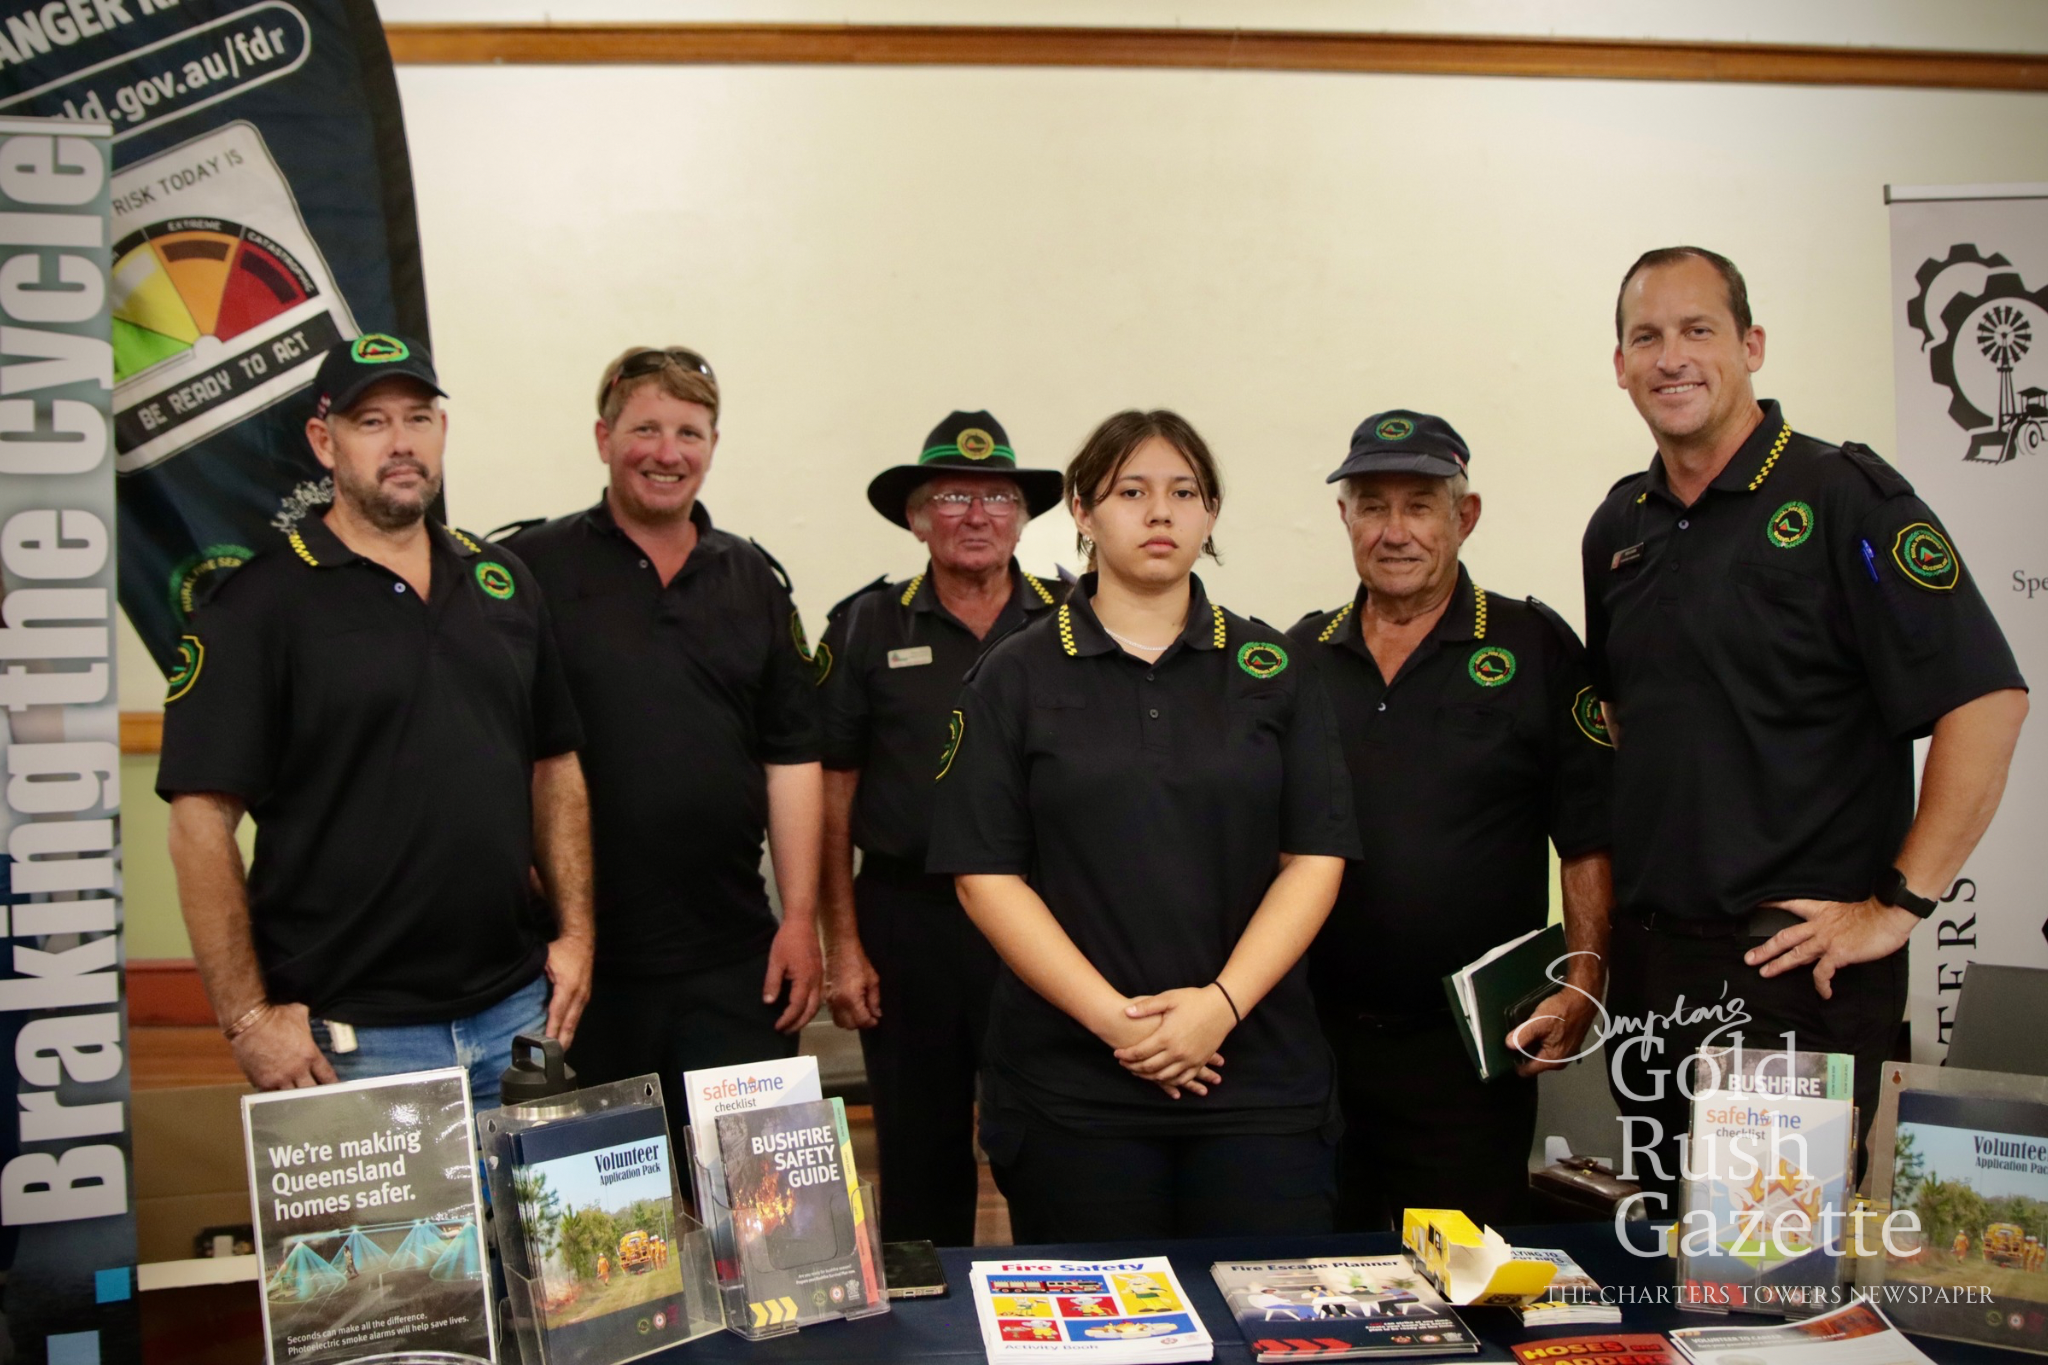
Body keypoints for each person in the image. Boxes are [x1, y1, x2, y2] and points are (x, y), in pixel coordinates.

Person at [1583, 247, 2028, 1208]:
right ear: (1618, 363)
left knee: (1761, 1291)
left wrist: (1900, 906)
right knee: (1663, 1269)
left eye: (1698, 329)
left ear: (1751, 345)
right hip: (1655, 977)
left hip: (1791, 975)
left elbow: (1986, 697)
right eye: (1645, 336)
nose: (1671, 357)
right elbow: (1630, 724)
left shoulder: (1844, 496)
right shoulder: (1618, 526)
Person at [928, 409, 1361, 1240]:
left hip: (1256, 1083)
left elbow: (1315, 856)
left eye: (1183, 491)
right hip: (1075, 1092)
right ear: (1083, 512)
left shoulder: (1274, 668)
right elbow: (985, 876)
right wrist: (1118, 1024)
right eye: (1132, 491)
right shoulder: (1012, 675)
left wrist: (1219, 1007)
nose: (1160, 513)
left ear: (1211, 514)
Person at [158, 335, 594, 1104]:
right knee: (387, 1236)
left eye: (419, 418)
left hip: (518, 1017)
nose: (402, 443)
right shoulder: (255, 606)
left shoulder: (501, 582)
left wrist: (577, 935)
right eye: (372, 422)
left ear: (442, 432)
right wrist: (247, 1016)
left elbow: (554, 767)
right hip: (351, 1038)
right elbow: (200, 821)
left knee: (549, 1230)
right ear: (324, 442)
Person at [1290, 409, 1614, 1233]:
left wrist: (1585, 980)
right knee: (1320, 1287)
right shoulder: (1298, 659)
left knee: (1465, 1297)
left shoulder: (1533, 645)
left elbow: (1587, 834)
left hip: (1469, 1056)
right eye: (1372, 504)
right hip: (1313, 1051)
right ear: (1345, 518)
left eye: (1420, 505)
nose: (1394, 530)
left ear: (1464, 517)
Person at [505, 347, 824, 1134]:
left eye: (690, 431)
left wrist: (800, 919)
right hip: (578, 969)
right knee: (606, 1234)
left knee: (764, 1225)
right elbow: (483, 743)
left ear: (713, 446)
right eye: (646, 427)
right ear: (603, 437)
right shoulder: (528, 569)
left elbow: (792, 758)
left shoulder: (752, 579)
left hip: (735, 959)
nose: (667, 452)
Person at [815, 410, 1067, 1246]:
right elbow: (833, 791)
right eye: (952, 495)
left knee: (1045, 1134)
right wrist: (841, 944)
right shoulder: (865, 625)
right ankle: (927, 1322)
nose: (975, 514)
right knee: (917, 1149)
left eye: (996, 496)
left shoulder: (1071, 621)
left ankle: (1057, 1303)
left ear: (1022, 517)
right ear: (917, 516)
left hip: (1039, 917)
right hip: (906, 919)